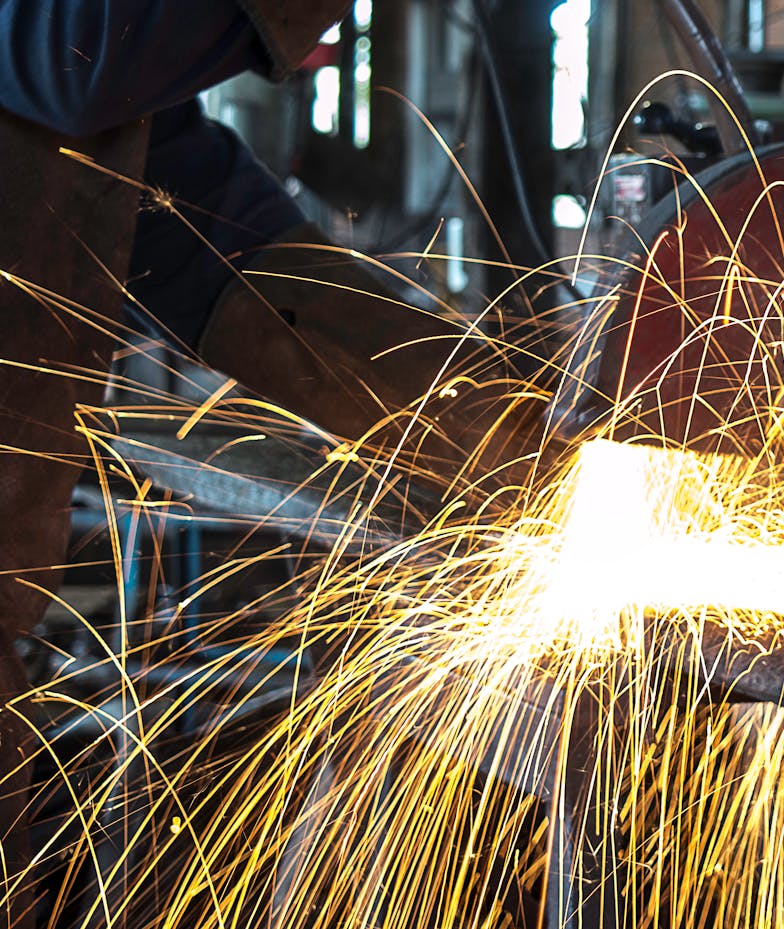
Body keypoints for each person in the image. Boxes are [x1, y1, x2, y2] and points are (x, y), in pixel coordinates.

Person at [0, 4, 525, 924]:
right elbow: (64, 61)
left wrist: (504, 423)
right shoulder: (57, 44)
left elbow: (222, 251)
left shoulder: (117, 117)